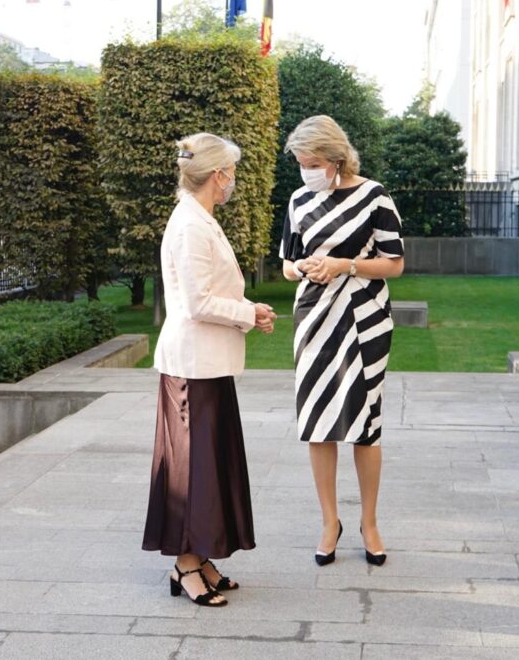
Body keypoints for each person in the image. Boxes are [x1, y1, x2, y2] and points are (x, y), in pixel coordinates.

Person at [142, 132, 276, 607]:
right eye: (231, 173)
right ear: (218, 175)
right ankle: (184, 565)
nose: (232, 182)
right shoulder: (191, 225)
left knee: (208, 464)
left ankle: (200, 556)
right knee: (190, 469)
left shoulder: (200, 219)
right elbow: (197, 302)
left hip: (208, 364)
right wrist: (247, 313)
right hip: (192, 366)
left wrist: (249, 308)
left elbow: (210, 290)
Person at [280, 115, 404, 567]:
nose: (305, 170)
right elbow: (287, 264)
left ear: (335, 158)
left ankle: (369, 523)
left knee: (365, 426)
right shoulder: (297, 199)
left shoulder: (374, 196)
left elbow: (394, 263)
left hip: (364, 319)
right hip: (313, 318)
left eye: (311, 162)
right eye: (300, 163)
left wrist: (345, 265)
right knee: (318, 421)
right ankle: (329, 521)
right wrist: (305, 268)